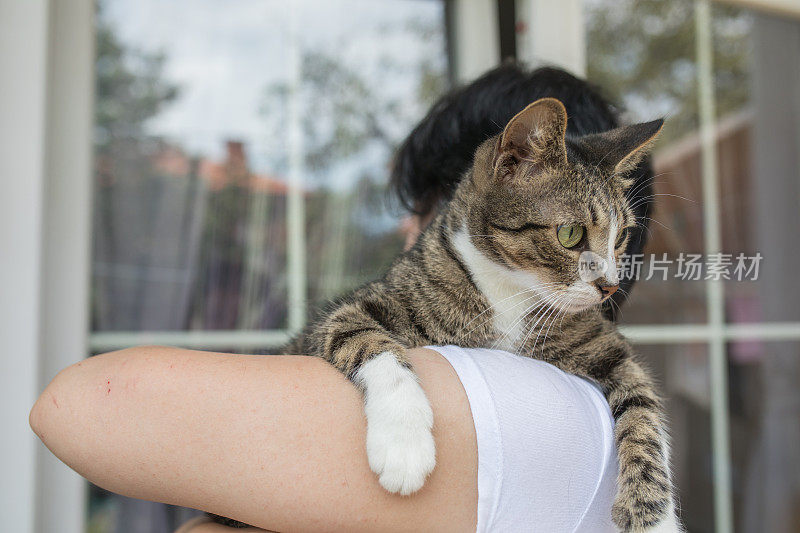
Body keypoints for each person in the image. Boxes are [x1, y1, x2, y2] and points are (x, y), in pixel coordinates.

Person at [30, 64, 655, 532]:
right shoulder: (588, 420)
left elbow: (83, 406)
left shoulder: (514, 401)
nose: (412, 242)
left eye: (421, 216)